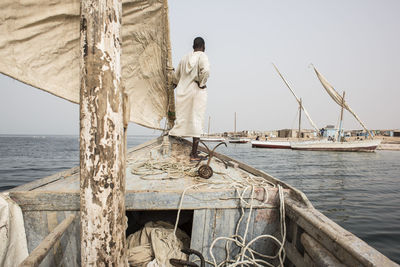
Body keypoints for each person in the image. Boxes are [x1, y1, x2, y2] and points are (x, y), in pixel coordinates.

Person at [169, 37, 210, 161]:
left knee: (182, 118)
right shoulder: (202, 56)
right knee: (196, 120)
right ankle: (193, 154)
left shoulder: (184, 58)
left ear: (193, 46)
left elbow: (176, 76)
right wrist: (201, 83)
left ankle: (173, 143)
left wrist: (175, 83)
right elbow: (206, 71)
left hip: (183, 93)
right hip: (196, 93)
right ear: (203, 46)